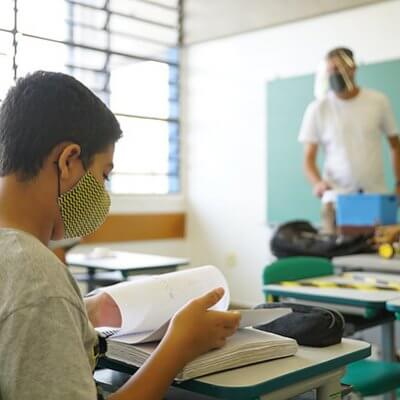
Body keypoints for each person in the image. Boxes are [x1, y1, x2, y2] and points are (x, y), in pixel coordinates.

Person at [0, 71, 240, 400]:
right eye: (103, 174)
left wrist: (79, 312)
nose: (102, 192)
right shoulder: (38, 279)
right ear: (69, 160)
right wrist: (177, 347)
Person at [298, 47, 400, 233]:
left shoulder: (378, 101)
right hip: (336, 201)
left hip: (375, 199)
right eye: (330, 70)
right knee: (336, 257)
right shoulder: (318, 109)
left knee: (379, 256)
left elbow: (395, 145)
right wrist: (317, 183)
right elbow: (308, 158)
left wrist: (399, 183)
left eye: (338, 69)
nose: (333, 74)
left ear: (352, 68)